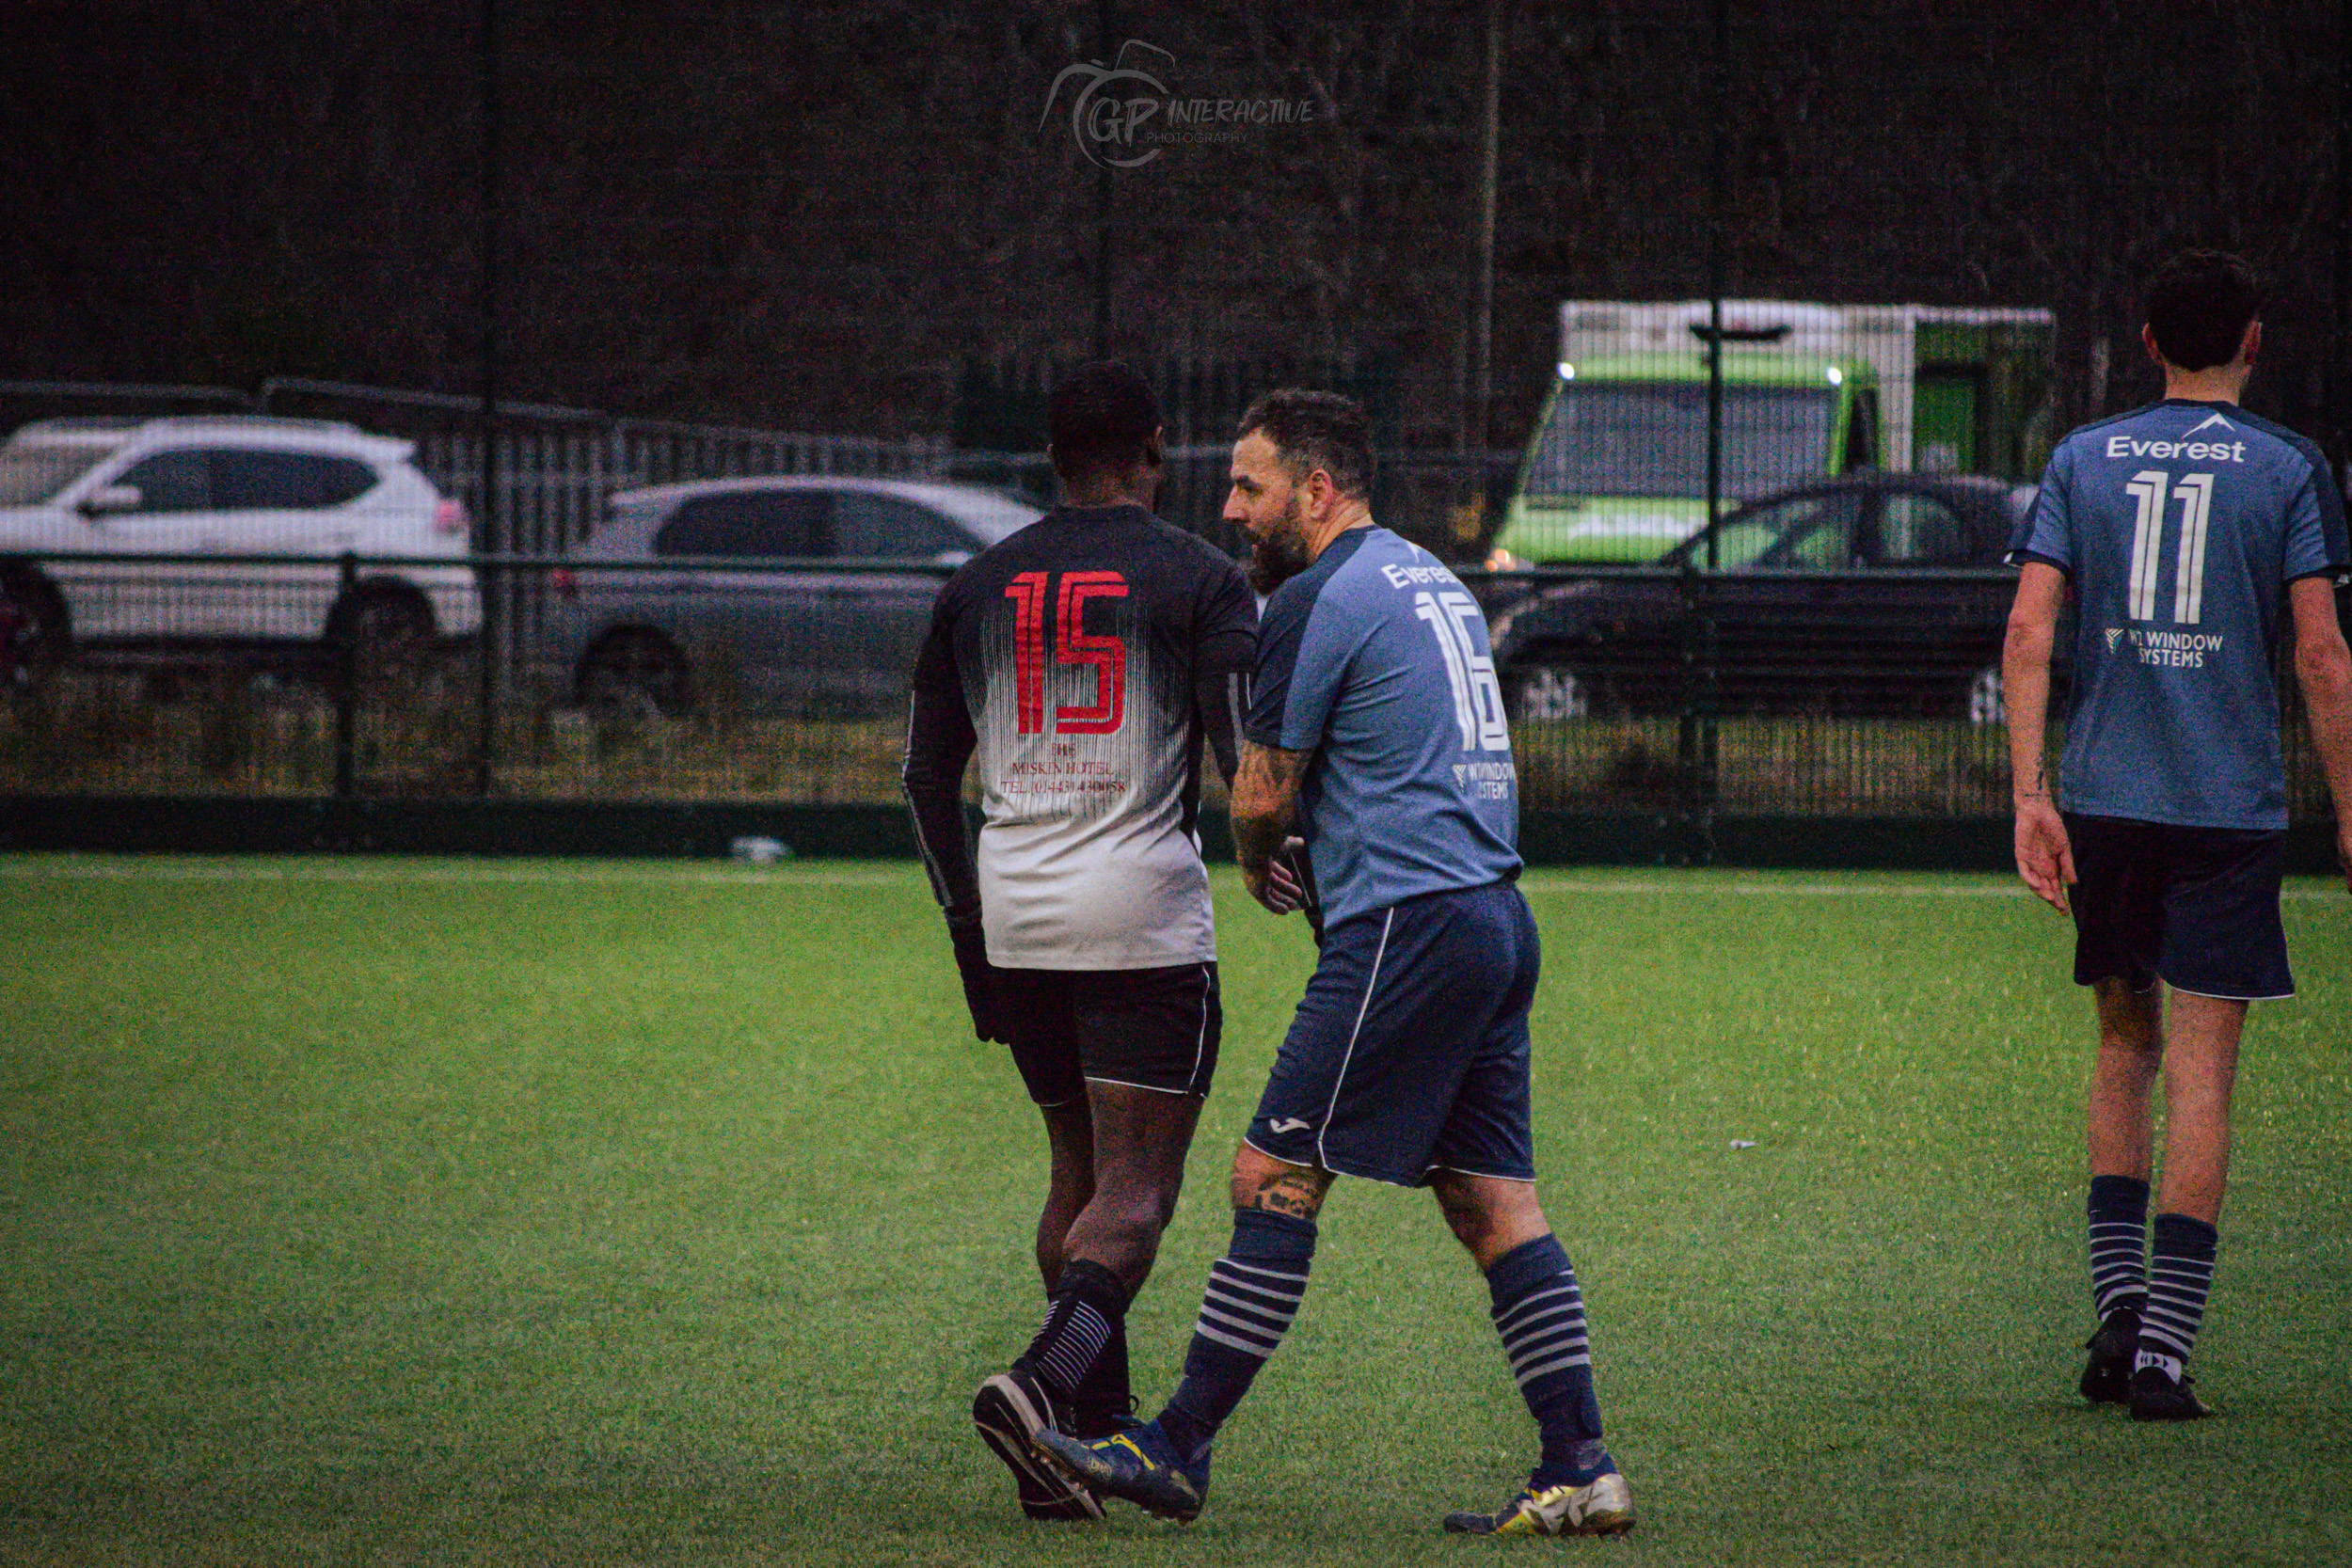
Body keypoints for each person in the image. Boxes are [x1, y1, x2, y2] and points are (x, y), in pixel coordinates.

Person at [1036, 388, 1636, 1537]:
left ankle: (1174, 1447)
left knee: (1270, 1174)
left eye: (1250, 485)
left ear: (1317, 490)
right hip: (1495, 919)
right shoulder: (1431, 576)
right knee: (1487, 1196)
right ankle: (1581, 1464)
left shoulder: (1317, 595)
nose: (1229, 507)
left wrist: (1261, 861)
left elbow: (1261, 787)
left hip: (1407, 923)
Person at [900, 361, 1259, 1518]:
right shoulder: (1200, 576)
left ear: (1052, 457)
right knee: (1140, 1192)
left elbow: (921, 778)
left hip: (1013, 909)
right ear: (1154, 449)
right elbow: (1242, 757)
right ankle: (1045, 1393)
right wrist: (1284, 856)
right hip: (1139, 911)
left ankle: (1085, 1443)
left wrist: (967, 919)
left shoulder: (977, 581)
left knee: (1077, 1172)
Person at [2002, 249, 2352, 1421]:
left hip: (2105, 796)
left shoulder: (2078, 458)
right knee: (2202, 1075)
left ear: (2147, 343)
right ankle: (2162, 1351)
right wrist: (2349, 808)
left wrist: (2028, 794)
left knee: (2121, 1046)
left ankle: (2115, 1311)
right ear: (2254, 340)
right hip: (2222, 809)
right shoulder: (2289, 468)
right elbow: (2318, 653)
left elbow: (2027, 632)